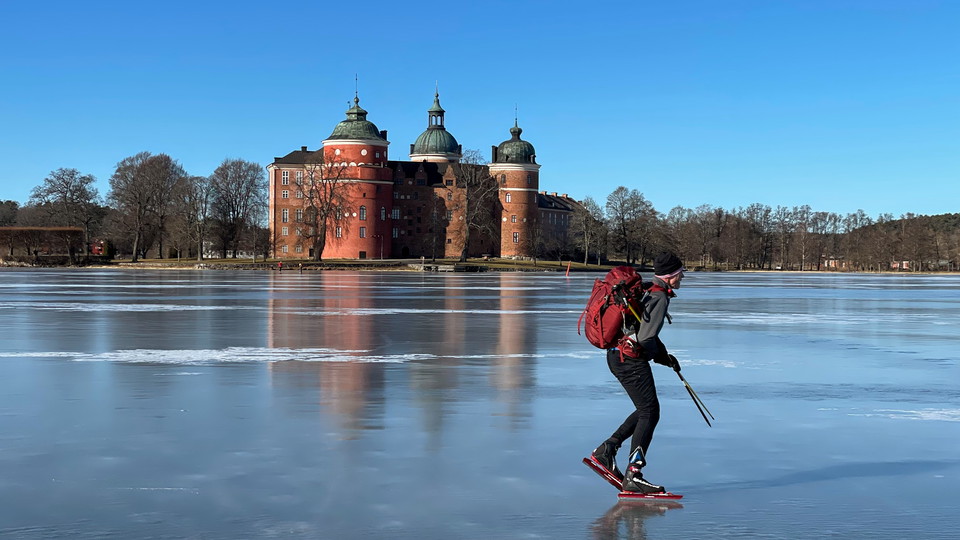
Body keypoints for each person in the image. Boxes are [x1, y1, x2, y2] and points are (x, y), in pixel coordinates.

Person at [591, 252, 686, 494]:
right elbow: (646, 337)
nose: (683, 276)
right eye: (680, 273)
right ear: (671, 276)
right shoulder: (658, 296)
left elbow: (643, 330)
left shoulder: (646, 289)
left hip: (618, 356)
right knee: (650, 412)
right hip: (630, 360)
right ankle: (633, 474)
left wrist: (664, 355)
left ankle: (607, 450)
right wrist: (662, 357)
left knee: (646, 409)